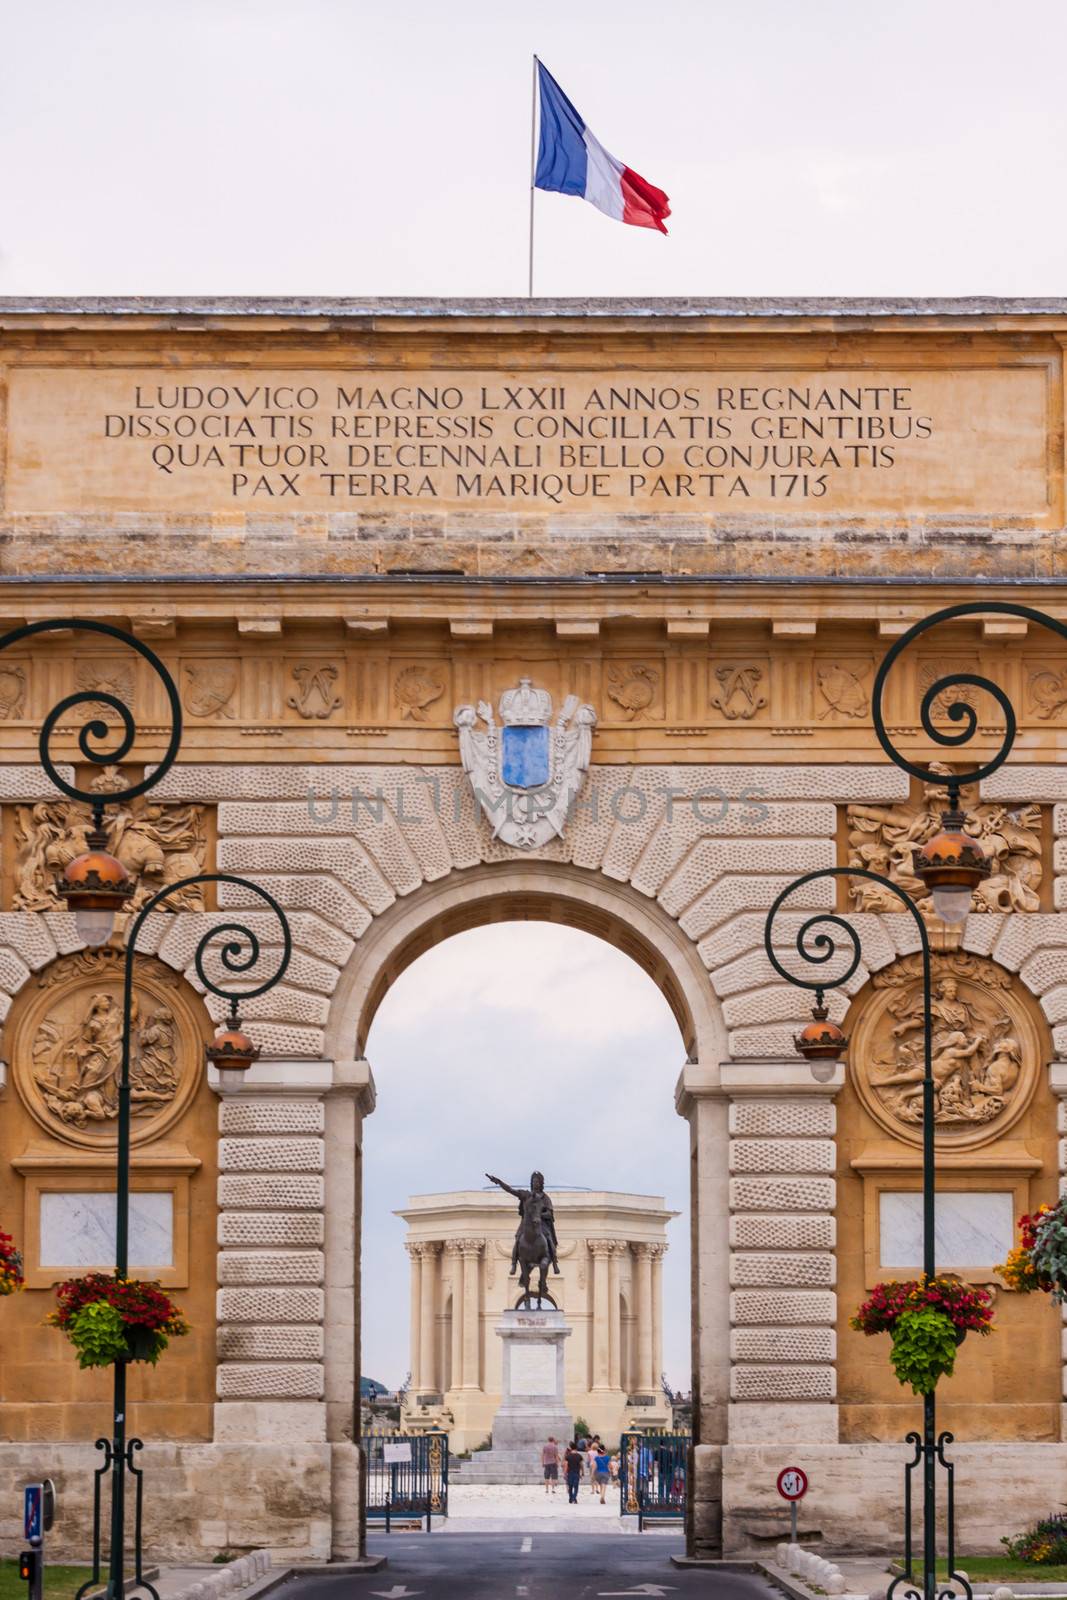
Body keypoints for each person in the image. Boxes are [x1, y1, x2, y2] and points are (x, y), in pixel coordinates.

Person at [563, 1439, 584, 1504]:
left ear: (571, 1448)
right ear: (576, 1448)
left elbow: (566, 1465)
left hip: (570, 1472)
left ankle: (570, 1498)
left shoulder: (568, 1456)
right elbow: (581, 1465)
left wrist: (565, 1473)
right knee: (576, 1486)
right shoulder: (579, 1456)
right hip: (576, 1472)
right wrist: (582, 1472)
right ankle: (574, 1498)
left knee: (570, 1486)